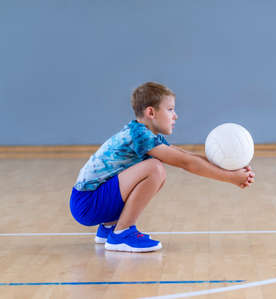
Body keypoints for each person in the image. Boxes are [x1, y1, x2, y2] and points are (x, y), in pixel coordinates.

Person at [70, 82, 255, 252]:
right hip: (87, 204)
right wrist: (230, 178)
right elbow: (185, 163)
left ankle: (110, 227)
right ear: (151, 112)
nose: (175, 116)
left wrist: (228, 169)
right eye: (170, 109)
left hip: (89, 202)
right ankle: (121, 233)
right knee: (154, 169)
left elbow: (185, 155)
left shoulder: (144, 133)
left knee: (154, 169)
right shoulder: (139, 135)